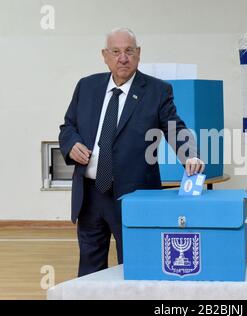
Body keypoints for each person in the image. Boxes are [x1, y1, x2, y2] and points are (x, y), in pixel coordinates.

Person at [59, 28, 204, 277]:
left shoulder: (157, 91)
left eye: (129, 51)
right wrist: (71, 144)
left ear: (138, 54)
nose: (122, 58)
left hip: (134, 196)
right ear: (105, 55)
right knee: (90, 272)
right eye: (116, 52)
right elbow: (68, 126)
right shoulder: (87, 86)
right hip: (89, 195)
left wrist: (190, 154)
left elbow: (174, 128)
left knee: (135, 268)